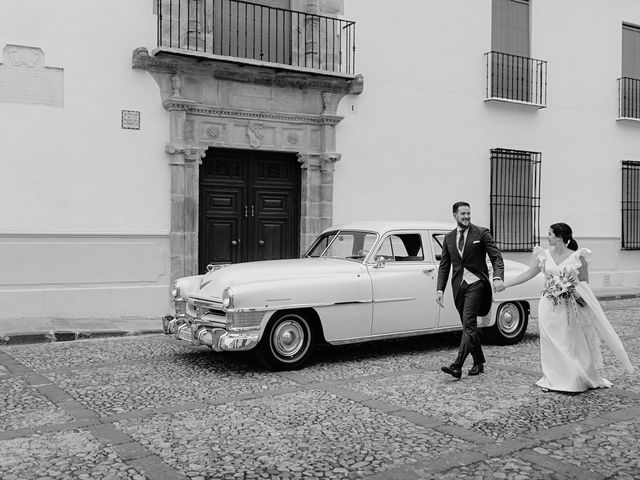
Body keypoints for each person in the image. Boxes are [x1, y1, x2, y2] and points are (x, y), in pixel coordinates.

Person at [504, 222, 634, 393]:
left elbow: (585, 283)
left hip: (569, 306)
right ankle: (553, 378)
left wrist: (571, 290)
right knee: (551, 341)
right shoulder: (543, 255)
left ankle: (575, 377)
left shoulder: (578, 257)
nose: (547, 237)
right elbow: (528, 273)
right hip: (548, 304)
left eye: (550, 234)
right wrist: (507, 285)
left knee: (570, 341)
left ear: (559, 238)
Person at [436, 201, 505, 379]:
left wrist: (497, 277)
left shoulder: (481, 233)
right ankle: (478, 362)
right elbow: (444, 266)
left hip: (476, 284)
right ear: (455, 216)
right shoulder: (449, 238)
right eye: (463, 214)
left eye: (468, 213)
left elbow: (496, 257)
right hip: (459, 286)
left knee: (469, 324)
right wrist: (440, 289)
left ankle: (457, 366)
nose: (466, 216)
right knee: (469, 326)